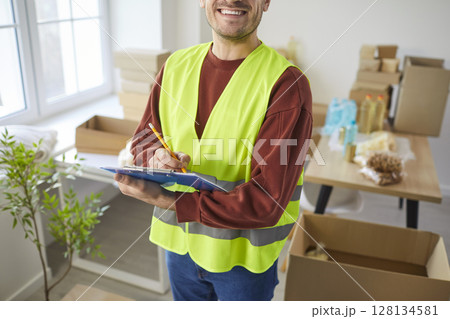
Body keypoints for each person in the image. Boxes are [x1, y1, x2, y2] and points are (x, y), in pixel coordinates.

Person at [114, 0, 312, 301]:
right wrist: (155, 157)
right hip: (180, 248)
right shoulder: (175, 66)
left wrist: (169, 200)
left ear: (266, 2)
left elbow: (267, 200)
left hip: (242, 261)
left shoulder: (286, 84)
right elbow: (144, 138)